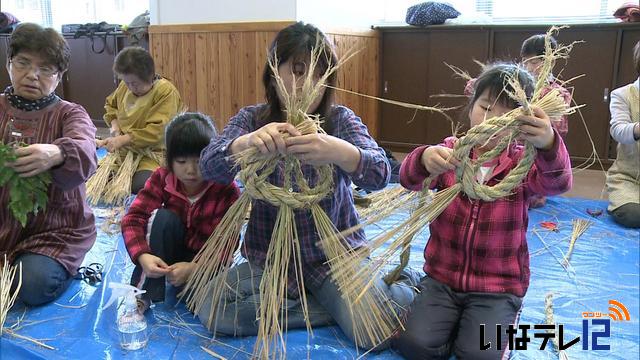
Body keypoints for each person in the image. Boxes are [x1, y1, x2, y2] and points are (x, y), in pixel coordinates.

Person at [197, 22, 418, 350]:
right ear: (274, 73)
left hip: (336, 259)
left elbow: (381, 173)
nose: (308, 84)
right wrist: (243, 145)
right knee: (213, 308)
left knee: (374, 332)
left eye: (320, 74)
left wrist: (341, 152)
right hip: (269, 262)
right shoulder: (253, 120)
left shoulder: (340, 120)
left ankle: (401, 282)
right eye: (298, 70)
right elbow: (209, 166)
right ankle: (334, 309)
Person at [395, 63, 573, 360]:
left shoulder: (523, 164)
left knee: (480, 356)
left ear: (522, 121)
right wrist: (424, 158)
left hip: (497, 287)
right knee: (415, 345)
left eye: (508, 115)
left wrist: (549, 144)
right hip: (443, 279)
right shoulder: (452, 152)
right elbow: (408, 180)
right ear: (472, 106)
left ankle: (499, 320)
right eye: (486, 108)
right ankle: (448, 324)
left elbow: (559, 183)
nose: (493, 121)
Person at [0, 23, 97, 306]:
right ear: (9, 64)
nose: (32, 75)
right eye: (23, 63)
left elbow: (87, 151)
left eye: (45, 69)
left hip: (54, 230)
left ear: (59, 76)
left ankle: (59, 268)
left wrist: (57, 153)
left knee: (30, 284)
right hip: (3, 222)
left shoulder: (70, 114)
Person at [121, 112, 240, 311]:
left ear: (211, 157)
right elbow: (133, 218)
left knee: (203, 305)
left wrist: (195, 269)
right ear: (170, 161)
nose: (191, 170)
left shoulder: (225, 188)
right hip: (170, 252)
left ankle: (191, 282)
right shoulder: (162, 178)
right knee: (161, 219)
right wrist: (142, 256)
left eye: (198, 160)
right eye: (182, 162)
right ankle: (143, 295)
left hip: (206, 260)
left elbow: (228, 242)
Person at [100, 46, 183, 193]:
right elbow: (110, 106)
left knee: (142, 186)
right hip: (124, 152)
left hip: (152, 154)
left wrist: (123, 139)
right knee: (97, 178)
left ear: (149, 76)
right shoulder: (125, 86)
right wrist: (115, 127)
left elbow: (158, 130)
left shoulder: (165, 92)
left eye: (135, 83)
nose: (130, 87)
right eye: (126, 82)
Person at [606, 40, 640, 228]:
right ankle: (620, 201)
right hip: (628, 177)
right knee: (632, 215)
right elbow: (618, 130)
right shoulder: (623, 94)